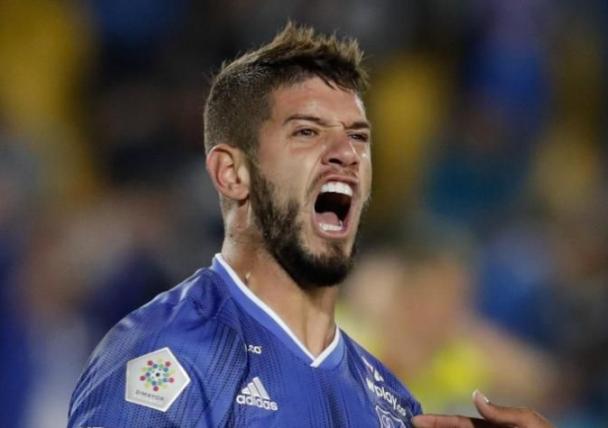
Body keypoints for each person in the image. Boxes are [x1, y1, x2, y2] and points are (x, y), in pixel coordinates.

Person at [68, 23, 552, 427]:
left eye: (358, 136)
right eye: (307, 131)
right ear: (232, 173)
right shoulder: (167, 356)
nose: (346, 153)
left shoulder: (391, 405)